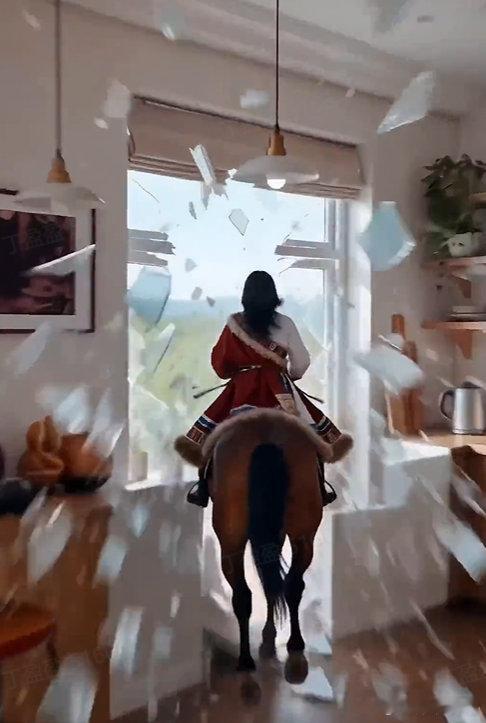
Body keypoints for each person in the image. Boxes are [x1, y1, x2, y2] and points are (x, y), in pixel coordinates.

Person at [175, 270, 352, 507]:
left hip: (241, 390)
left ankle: (203, 487)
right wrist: (290, 377)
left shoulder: (233, 324)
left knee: (211, 435)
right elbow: (301, 362)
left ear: (245, 296)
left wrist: (238, 372)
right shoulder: (285, 323)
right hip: (278, 389)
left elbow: (220, 366)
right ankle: (320, 486)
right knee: (310, 434)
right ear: (273, 296)